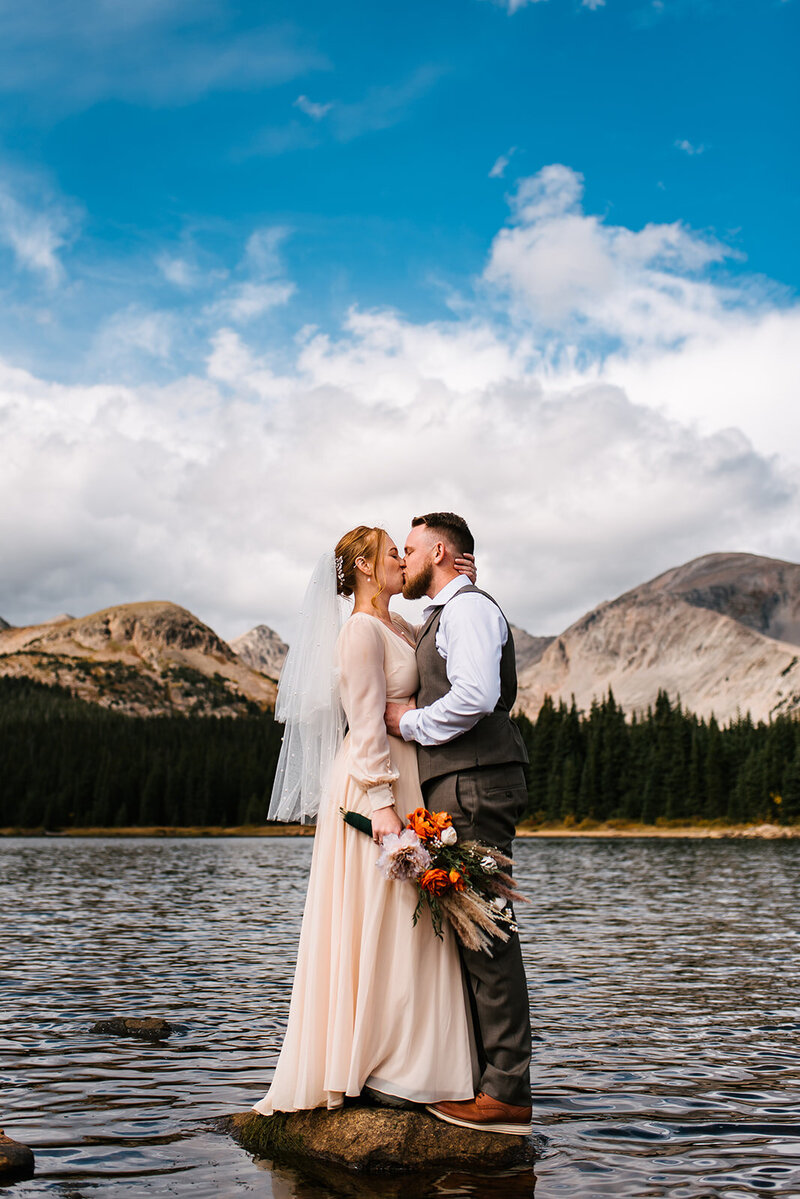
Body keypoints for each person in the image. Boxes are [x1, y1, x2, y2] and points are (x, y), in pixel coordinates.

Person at [253, 525, 479, 1117]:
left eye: (406, 552)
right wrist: (381, 805)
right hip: (372, 784)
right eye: (392, 555)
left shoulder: (399, 624)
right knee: (380, 919)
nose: (403, 560)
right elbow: (365, 720)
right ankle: (370, 1059)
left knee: (407, 922)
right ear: (363, 568)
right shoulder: (358, 629)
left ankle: (410, 1059)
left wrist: (461, 585)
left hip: (407, 780)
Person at [385, 511, 533, 1136]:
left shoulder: (469, 609)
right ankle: (486, 1078)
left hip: (474, 783)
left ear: (440, 550)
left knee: (486, 929)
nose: (406, 559)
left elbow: (474, 697)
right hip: (464, 781)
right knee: (471, 923)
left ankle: (505, 1092)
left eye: (413, 549)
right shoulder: (454, 609)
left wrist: (406, 724)